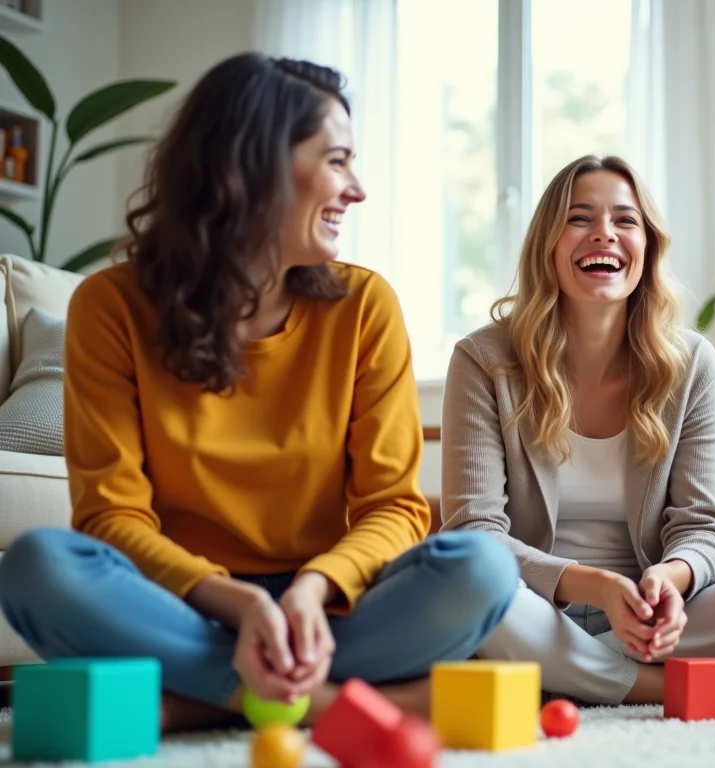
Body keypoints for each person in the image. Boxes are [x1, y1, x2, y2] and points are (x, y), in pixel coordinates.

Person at [0, 53, 517, 731]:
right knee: (38, 566)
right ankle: (322, 701)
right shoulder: (111, 307)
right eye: (336, 161)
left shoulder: (364, 306)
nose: (356, 190)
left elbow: (392, 508)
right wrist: (240, 606)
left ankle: (197, 700)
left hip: (329, 611)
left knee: (481, 568)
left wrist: (310, 590)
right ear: (254, 167)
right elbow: (111, 517)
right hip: (184, 603)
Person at [440, 154, 715, 705]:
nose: (604, 233)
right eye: (579, 218)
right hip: (532, 603)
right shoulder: (484, 360)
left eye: (625, 220)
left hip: (651, 616)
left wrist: (669, 581)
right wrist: (595, 587)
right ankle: (668, 684)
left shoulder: (692, 363)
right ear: (547, 244)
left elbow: (701, 527)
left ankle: (568, 673)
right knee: (466, 579)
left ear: (646, 247)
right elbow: (475, 535)